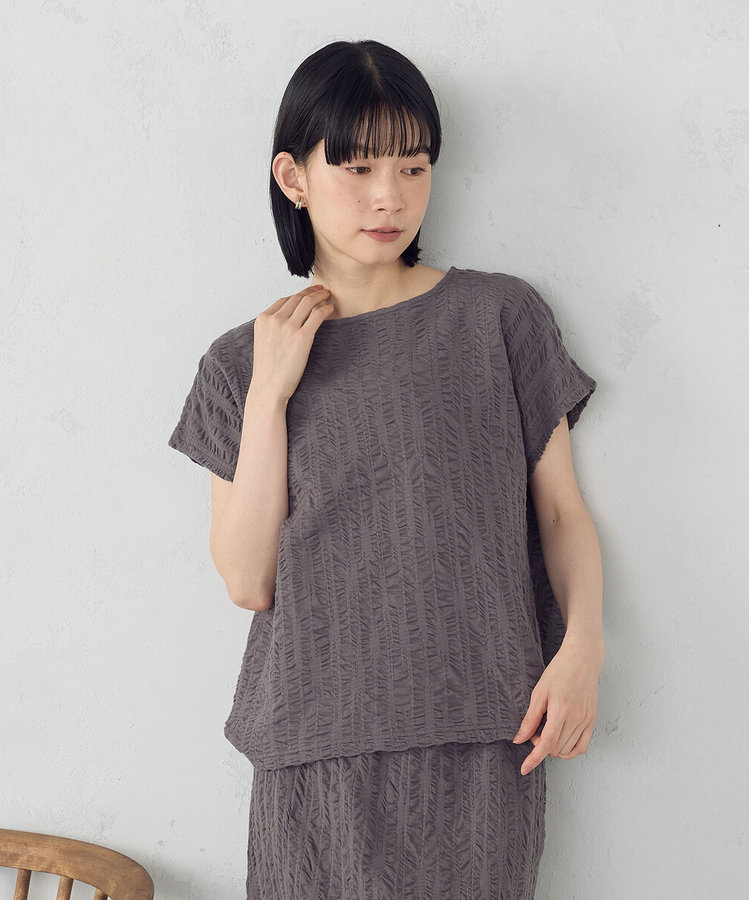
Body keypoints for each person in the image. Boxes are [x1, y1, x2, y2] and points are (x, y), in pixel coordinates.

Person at [168, 38, 604, 900]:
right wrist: (271, 394)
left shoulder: (499, 317)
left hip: (483, 733)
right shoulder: (238, 365)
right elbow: (249, 580)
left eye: (413, 167)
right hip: (310, 751)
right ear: (293, 177)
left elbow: (560, 513)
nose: (389, 197)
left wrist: (583, 650)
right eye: (358, 167)